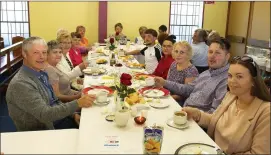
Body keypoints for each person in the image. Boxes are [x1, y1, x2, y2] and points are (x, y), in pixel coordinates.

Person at [183, 56, 270, 154]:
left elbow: (258, 153)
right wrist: (198, 114)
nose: (232, 81)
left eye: (239, 76)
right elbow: (215, 120)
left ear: (253, 81)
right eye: (230, 76)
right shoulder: (231, 96)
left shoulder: (265, 112)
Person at [6, 37, 96, 131]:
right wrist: (77, 103)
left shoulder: (41, 73)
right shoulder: (21, 84)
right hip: (43, 133)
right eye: (36, 52)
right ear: (24, 54)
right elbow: (45, 114)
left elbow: (54, 101)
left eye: (44, 52)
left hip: (59, 120)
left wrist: (73, 115)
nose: (41, 57)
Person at [154, 37, 231, 113]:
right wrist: (165, 82)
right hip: (183, 110)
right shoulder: (206, 73)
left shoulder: (227, 80)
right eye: (210, 52)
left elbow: (215, 113)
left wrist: (194, 117)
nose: (212, 56)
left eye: (217, 53)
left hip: (195, 120)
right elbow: (188, 89)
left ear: (227, 56)